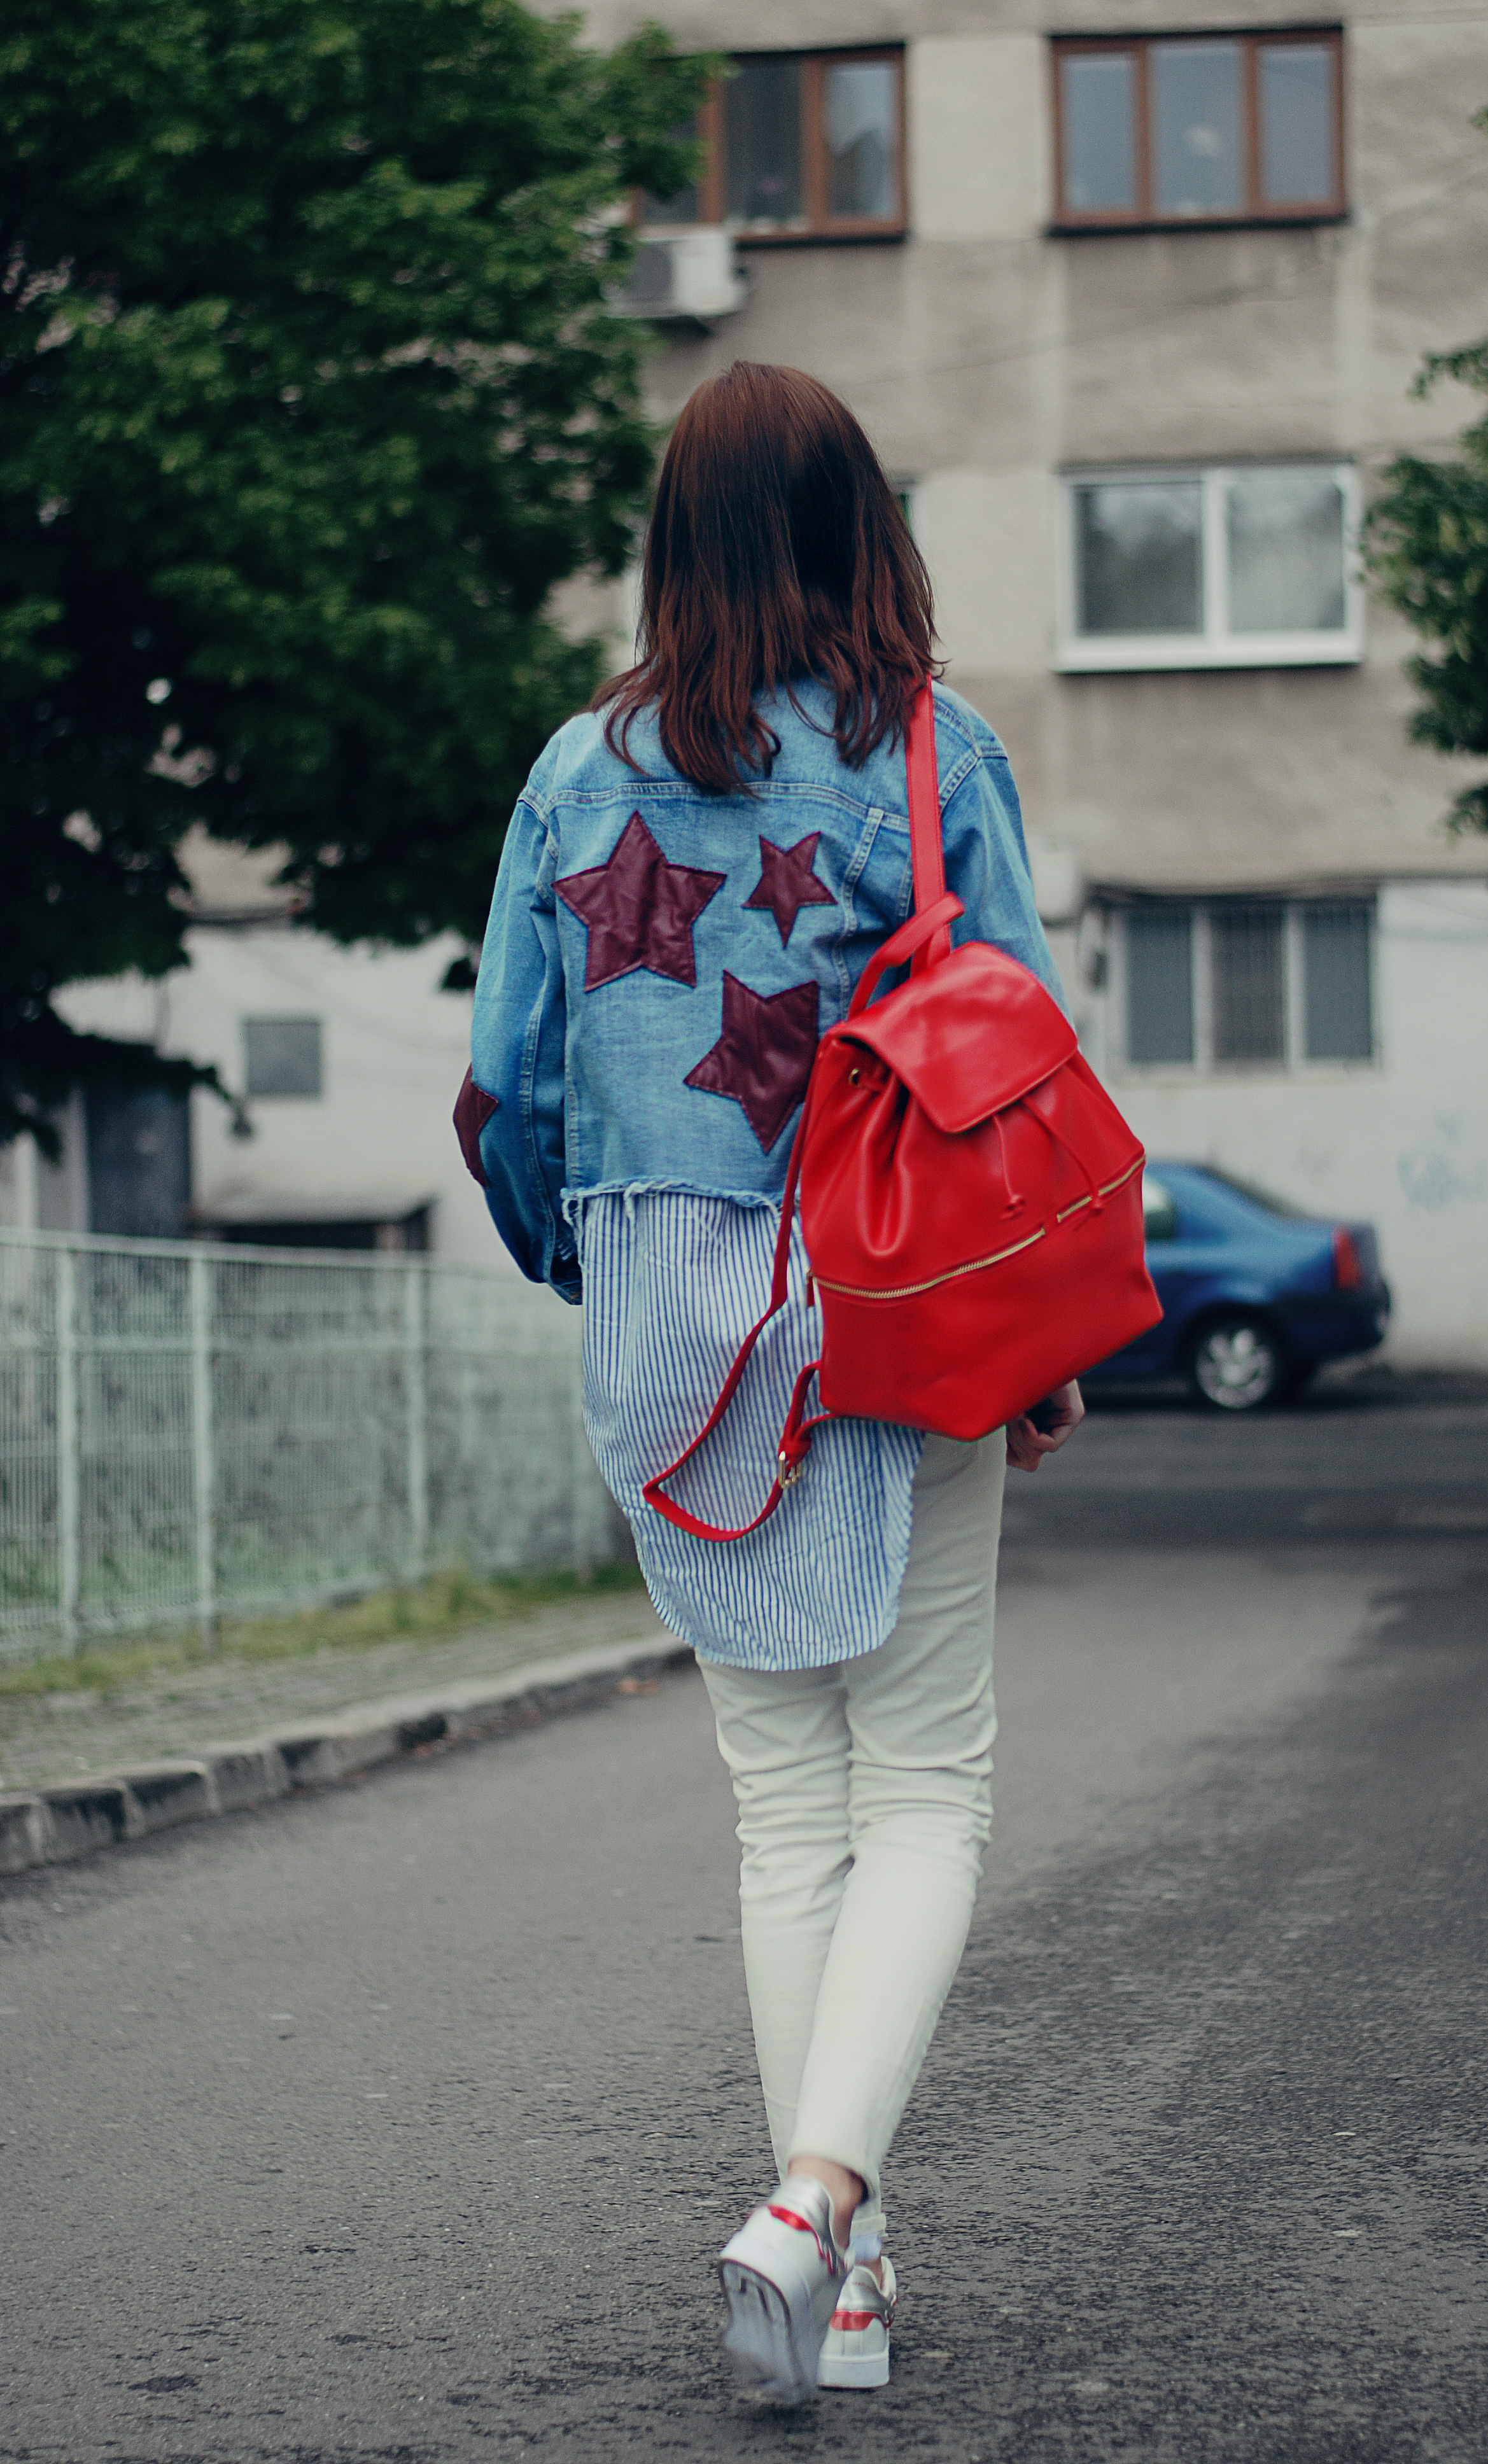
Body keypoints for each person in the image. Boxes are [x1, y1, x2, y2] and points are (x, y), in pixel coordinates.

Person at [457, 360, 1083, 2404]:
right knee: (924, 1785)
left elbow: (512, 1092)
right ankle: (818, 2203)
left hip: (673, 1317)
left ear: (674, 538)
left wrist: (604, 1278)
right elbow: (1020, 1058)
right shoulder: (933, 751)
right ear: (860, 527)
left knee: (783, 1814)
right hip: (898, 1306)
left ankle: (854, 2283)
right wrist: (1038, 1338)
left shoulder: (575, 770)